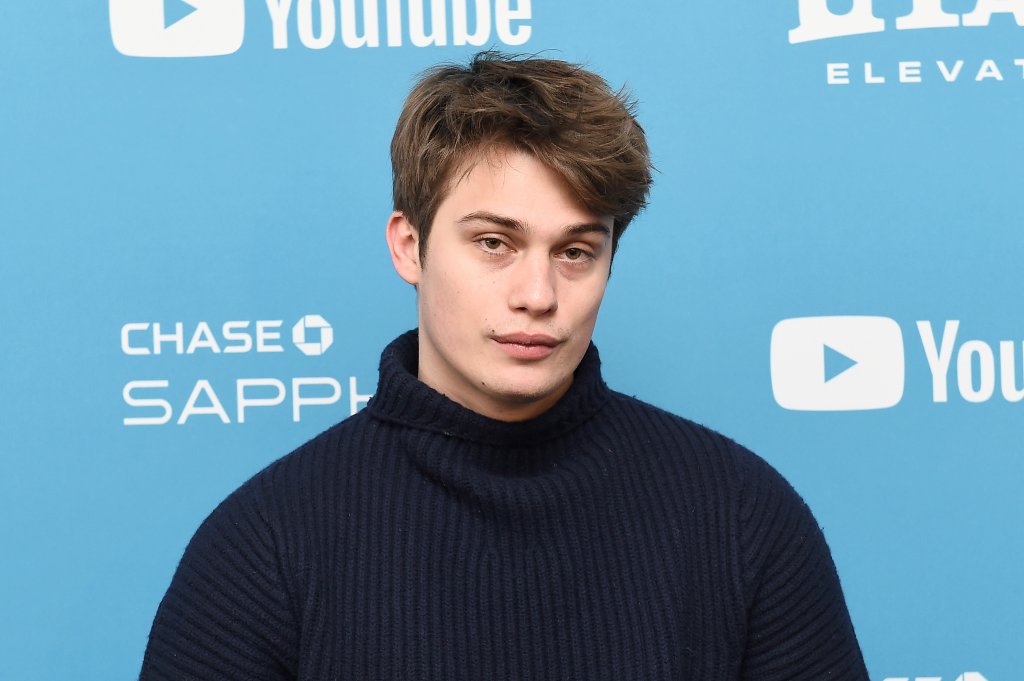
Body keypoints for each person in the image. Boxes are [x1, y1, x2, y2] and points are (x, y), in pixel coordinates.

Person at [140, 51, 868, 680]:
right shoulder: (263, 548)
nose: (538, 295)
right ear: (409, 246)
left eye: (576, 251)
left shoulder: (742, 517)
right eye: (495, 243)